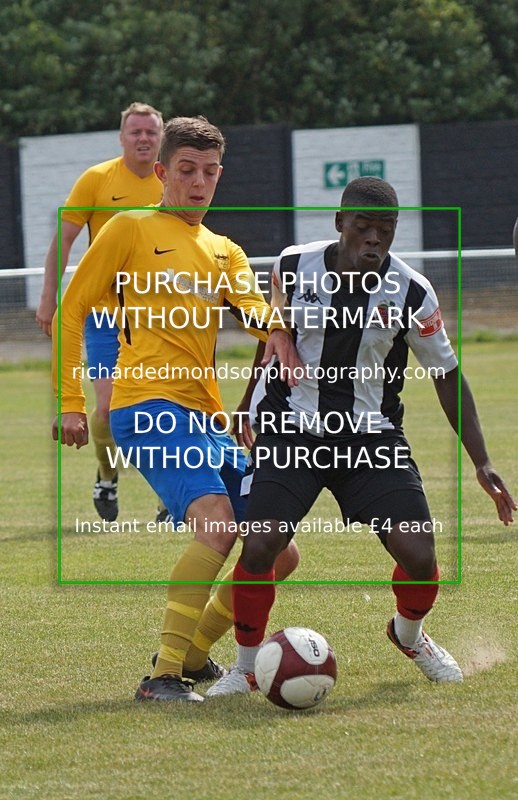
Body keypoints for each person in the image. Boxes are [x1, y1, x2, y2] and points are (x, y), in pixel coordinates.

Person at [206, 176, 517, 696]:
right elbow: (274, 336)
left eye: (385, 230)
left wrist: (481, 461)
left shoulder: (413, 292)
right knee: (260, 545)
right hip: (292, 429)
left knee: (420, 557)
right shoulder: (292, 265)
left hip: (370, 438)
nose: (374, 239)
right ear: (339, 223)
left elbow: (446, 373)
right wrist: (246, 405)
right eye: (363, 227)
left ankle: (409, 636)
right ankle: (245, 666)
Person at [51, 115, 301, 702]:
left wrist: (284, 328)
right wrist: (71, 402)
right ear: (162, 173)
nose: (198, 182)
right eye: (187, 170)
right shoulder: (129, 228)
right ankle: (162, 676)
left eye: (209, 172)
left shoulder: (224, 249)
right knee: (218, 523)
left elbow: (254, 312)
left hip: (206, 419)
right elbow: (72, 309)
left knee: (278, 549)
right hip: (145, 405)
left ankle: (193, 652)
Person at [38, 101, 166, 522]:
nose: (143, 138)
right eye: (136, 132)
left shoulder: (173, 181)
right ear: (122, 137)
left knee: (163, 407)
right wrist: (48, 298)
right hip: (105, 313)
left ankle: (169, 495)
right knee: (108, 408)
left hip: (157, 316)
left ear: (161, 138)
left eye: (151, 132)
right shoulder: (97, 179)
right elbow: (64, 239)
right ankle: (108, 476)